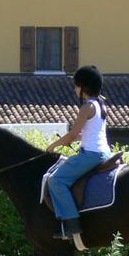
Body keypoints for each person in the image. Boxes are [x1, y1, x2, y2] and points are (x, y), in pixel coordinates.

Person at [45, 65, 112, 244]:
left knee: (55, 181)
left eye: (76, 86)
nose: (75, 89)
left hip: (91, 155)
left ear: (84, 88)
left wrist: (53, 146)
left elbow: (73, 134)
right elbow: (87, 134)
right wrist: (71, 140)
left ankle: (72, 225)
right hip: (104, 152)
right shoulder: (101, 105)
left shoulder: (86, 107)